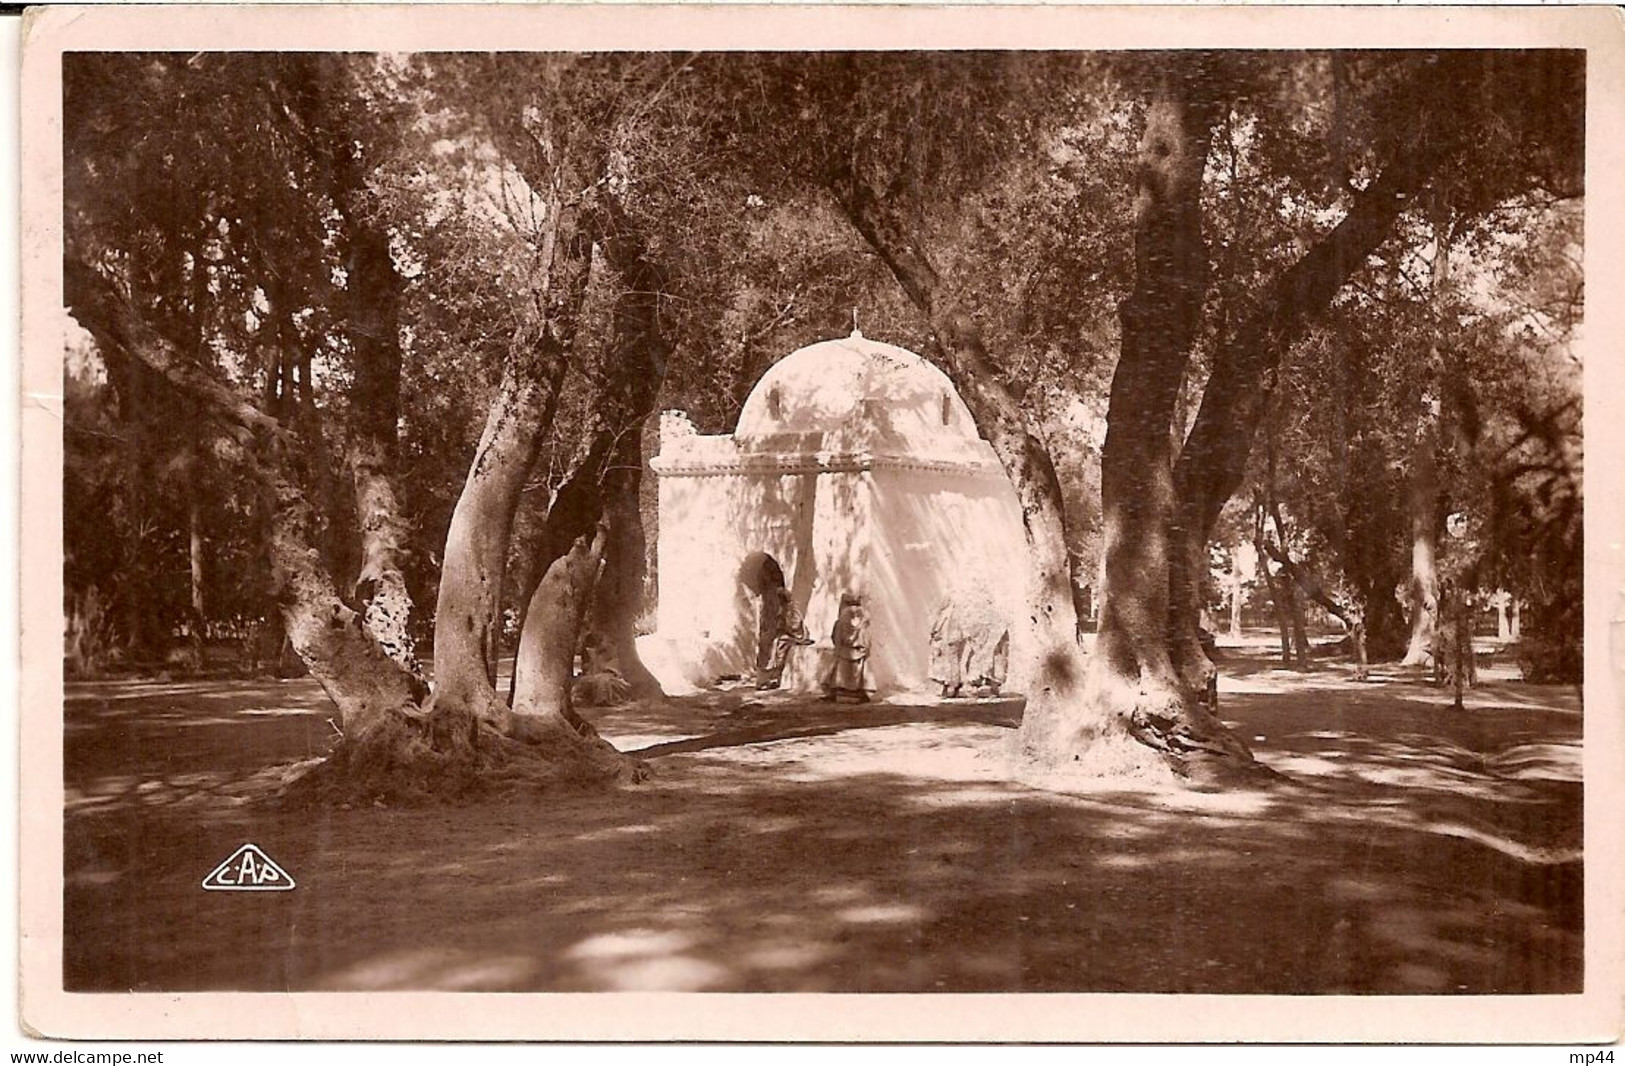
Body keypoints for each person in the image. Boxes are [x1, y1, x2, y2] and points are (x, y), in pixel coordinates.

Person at [758, 586, 812, 690]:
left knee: (779, 645)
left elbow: (795, 625)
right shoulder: (783, 608)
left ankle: (775, 676)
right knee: (768, 643)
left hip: (793, 636)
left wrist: (786, 626)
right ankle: (768, 676)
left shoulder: (792, 609)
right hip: (784, 633)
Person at [823, 592, 872, 703]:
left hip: (844, 651)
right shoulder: (863, 620)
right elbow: (867, 638)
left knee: (839, 674)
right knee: (856, 674)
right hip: (858, 651)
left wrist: (838, 646)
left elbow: (837, 637)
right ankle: (859, 694)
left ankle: (838, 693)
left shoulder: (842, 620)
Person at [928, 598, 965, 698]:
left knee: (949, 663)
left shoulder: (946, 613)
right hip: (953, 639)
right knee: (952, 662)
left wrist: (934, 633)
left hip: (948, 640)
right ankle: (953, 686)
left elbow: (936, 627)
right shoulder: (954, 612)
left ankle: (950, 686)